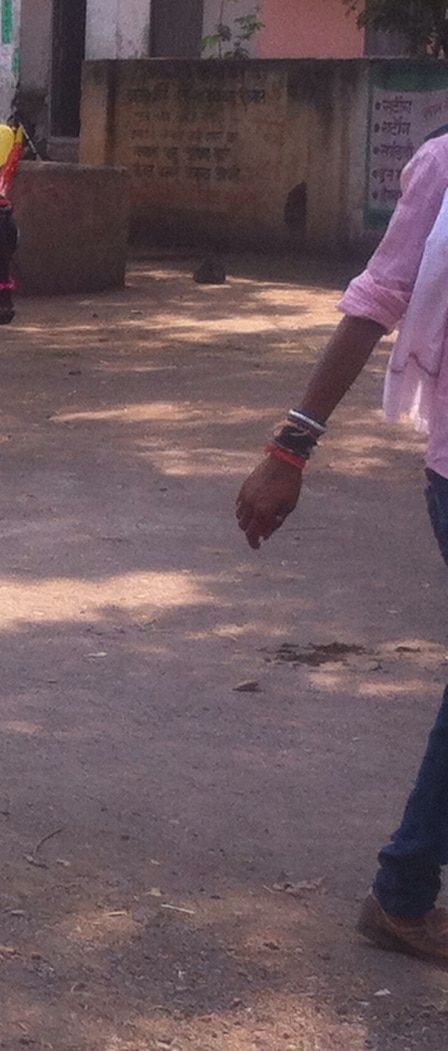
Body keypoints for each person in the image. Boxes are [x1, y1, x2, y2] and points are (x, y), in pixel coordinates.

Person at [236, 128, 448, 961]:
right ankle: (401, 893)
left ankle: (403, 888)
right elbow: (378, 298)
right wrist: (290, 448)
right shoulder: (442, 163)